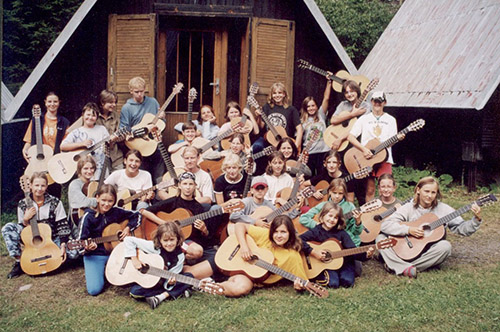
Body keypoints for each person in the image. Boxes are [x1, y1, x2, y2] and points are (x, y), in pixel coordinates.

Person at [377, 176, 483, 278]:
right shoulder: (409, 207)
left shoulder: (444, 210)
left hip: (427, 251)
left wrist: (476, 220)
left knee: (445, 247)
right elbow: (385, 225)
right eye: (426, 191)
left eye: (433, 192)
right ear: (418, 190)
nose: (429, 196)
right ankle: (403, 266)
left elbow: (461, 228)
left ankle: (397, 266)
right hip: (405, 246)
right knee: (380, 238)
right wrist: (409, 230)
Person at [142, 172, 221, 280]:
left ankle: (180, 265)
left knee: (198, 251)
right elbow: (145, 211)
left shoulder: (199, 208)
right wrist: (163, 223)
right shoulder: (173, 201)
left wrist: (204, 230)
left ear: (195, 186)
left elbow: (205, 236)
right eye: (185, 184)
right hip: (167, 239)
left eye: (190, 184)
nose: (187, 187)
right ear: (179, 185)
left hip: (185, 241)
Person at [2, 172, 70, 279]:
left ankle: (55, 259)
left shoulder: (55, 202)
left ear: (47, 186)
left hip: (51, 238)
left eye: (43, 185)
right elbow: (24, 232)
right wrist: (25, 219)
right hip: (32, 240)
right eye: (36, 185)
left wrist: (63, 246)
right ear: (30, 186)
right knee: (8, 228)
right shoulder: (23, 204)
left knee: (73, 251)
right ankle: (20, 262)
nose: (39, 188)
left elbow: (63, 226)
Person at [219, 215, 307, 297]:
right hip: (240, 262)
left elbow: (303, 281)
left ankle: (213, 286)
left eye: (283, 232)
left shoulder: (293, 257)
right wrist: (244, 247)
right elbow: (239, 225)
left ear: (290, 233)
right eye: (275, 232)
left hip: (252, 278)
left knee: (241, 288)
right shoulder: (266, 235)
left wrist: (300, 287)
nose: (278, 236)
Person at [77, 184, 141, 295]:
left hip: (116, 252)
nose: (106, 204)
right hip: (96, 254)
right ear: (97, 197)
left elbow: (137, 215)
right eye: (103, 200)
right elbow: (80, 245)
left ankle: (110, 271)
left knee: (136, 274)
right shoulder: (88, 217)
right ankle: (102, 271)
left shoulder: (116, 212)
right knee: (94, 290)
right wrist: (87, 248)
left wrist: (127, 228)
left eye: (110, 201)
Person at [300, 202, 372, 288]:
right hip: (326, 265)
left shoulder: (342, 233)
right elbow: (298, 240)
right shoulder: (316, 231)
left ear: (339, 220)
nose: (332, 219)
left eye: (335, 218)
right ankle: (316, 276)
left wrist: (366, 254)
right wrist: (313, 252)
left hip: (345, 263)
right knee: (333, 284)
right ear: (323, 216)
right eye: (330, 216)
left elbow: (352, 250)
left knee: (347, 282)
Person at [347, 91, 399, 205]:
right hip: (367, 159)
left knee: (386, 189)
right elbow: (351, 137)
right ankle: (368, 217)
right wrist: (364, 149)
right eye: (375, 101)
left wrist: (397, 139)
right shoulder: (364, 119)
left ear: (384, 102)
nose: (377, 104)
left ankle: (384, 214)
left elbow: (392, 142)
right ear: (371, 102)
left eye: (380, 101)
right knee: (370, 190)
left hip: (384, 158)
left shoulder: (391, 120)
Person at [126, 223, 194, 309]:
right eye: (165, 240)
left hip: (162, 282)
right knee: (135, 292)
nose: (169, 244)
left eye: (172, 240)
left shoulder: (179, 256)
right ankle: (181, 290)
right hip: (150, 281)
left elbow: (170, 277)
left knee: (189, 277)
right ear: (160, 240)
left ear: (177, 239)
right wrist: (134, 259)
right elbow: (128, 240)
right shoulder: (153, 247)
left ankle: (161, 297)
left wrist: (170, 283)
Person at [22, 91, 70, 197]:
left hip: (54, 160)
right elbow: (29, 139)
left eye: (55, 101)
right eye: (49, 101)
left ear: (59, 103)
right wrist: (24, 150)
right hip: (38, 160)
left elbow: (66, 144)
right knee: (35, 189)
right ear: (45, 103)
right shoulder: (36, 119)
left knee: (54, 190)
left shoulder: (64, 122)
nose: (52, 104)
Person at [119, 76, 165, 183]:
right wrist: (144, 129)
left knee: (159, 173)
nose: (139, 94)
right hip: (139, 146)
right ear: (131, 91)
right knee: (142, 175)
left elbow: (162, 124)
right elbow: (124, 129)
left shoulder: (153, 102)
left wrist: (162, 118)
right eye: (136, 92)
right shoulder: (127, 108)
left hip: (153, 142)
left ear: (145, 90)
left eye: (142, 91)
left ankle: (159, 196)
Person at [253, 82, 303, 175]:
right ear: (271, 95)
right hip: (270, 143)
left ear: (284, 94)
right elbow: (261, 126)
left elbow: (299, 129)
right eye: (275, 93)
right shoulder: (267, 108)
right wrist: (259, 117)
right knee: (257, 148)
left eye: (280, 93)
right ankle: (258, 175)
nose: (277, 95)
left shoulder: (291, 109)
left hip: (284, 144)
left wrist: (296, 146)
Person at [299, 178, 362, 247]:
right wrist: (318, 225)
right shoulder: (323, 205)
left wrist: (358, 222)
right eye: (334, 193)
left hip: (345, 241)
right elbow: (303, 218)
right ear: (329, 192)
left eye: (340, 193)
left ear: (344, 193)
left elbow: (357, 232)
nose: (337, 196)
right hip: (325, 241)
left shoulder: (350, 207)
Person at [60, 102, 110, 179]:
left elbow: (109, 144)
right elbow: (63, 146)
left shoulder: (102, 129)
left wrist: (113, 139)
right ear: (82, 116)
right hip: (83, 173)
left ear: (96, 118)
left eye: (93, 115)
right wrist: (81, 144)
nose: (90, 117)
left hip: (100, 170)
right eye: (88, 114)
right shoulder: (76, 132)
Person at [300, 76, 332, 177]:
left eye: (313, 105)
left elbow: (326, 98)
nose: (311, 108)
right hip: (309, 153)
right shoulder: (302, 121)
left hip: (323, 151)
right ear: (305, 108)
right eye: (308, 106)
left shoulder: (321, 115)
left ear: (317, 106)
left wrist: (329, 82)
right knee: (309, 177)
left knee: (323, 176)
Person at [329, 80, 371, 150]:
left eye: (352, 91)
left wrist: (340, 138)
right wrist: (352, 114)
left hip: (357, 142)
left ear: (357, 91)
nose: (349, 94)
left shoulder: (366, 106)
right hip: (341, 139)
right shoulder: (343, 105)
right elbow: (333, 120)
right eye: (346, 92)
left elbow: (359, 127)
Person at [68, 155, 98, 234]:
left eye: (92, 168)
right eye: (85, 168)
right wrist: (99, 201)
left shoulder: (93, 184)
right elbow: (82, 202)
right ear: (80, 170)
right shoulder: (75, 184)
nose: (89, 171)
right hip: (78, 223)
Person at [97, 90, 124, 171]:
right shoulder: (93, 115)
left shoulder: (115, 115)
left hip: (115, 157)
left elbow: (120, 134)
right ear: (102, 103)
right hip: (99, 157)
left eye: (115, 102)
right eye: (111, 102)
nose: (114, 105)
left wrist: (118, 137)